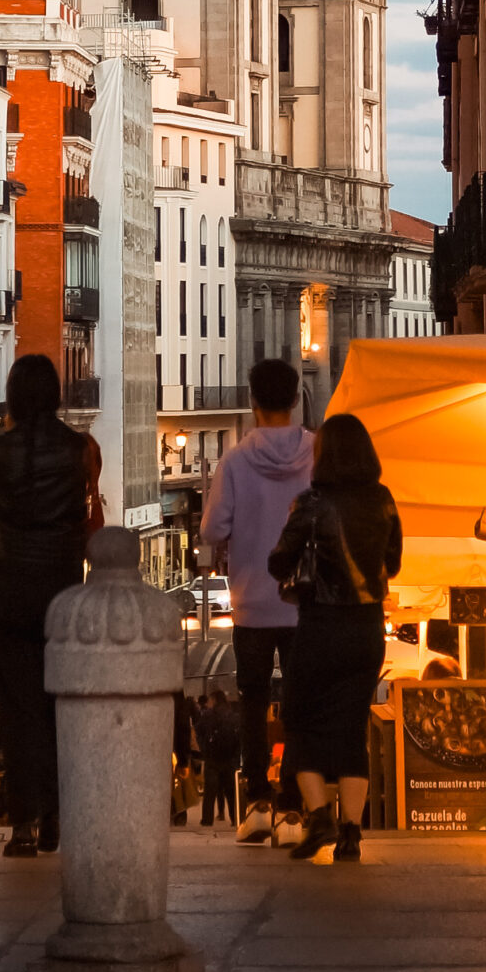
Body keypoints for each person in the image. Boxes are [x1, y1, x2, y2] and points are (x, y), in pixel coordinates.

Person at [0, 353, 100, 857]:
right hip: (62, 589)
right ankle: (55, 817)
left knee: (19, 710)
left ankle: (22, 822)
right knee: (58, 706)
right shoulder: (77, 448)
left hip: (10, 589)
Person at [265, 410, 402, 865]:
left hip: (321, 625)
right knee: (351, 729)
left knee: (302, 719)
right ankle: (352, 835)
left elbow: (279, 562)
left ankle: (319, 813)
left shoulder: (311, 503)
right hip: (367, 630)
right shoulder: (383, 500)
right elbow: (394, 563)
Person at [200, 355, 316, 846]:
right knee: (299, 704)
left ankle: (258, 803)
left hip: (250, 600)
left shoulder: (236, 459)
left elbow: (212, 528)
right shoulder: (316, 452)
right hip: (303, 601)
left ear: (252, 403)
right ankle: (292, 805)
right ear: (295, 400)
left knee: (250, 702)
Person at [192, 687, 241, 828]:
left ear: (213, 700)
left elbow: (198, 730)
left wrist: (203, 747)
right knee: (231, 793)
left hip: (212, 758)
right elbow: (239, 737)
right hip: (229, 759)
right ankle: (235, 818)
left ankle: (207, 820)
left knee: (210, 793)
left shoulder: (208, 715)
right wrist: (236, 756)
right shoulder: (233, 716)